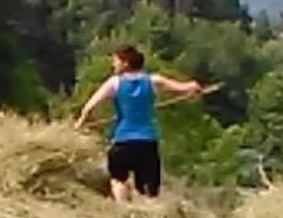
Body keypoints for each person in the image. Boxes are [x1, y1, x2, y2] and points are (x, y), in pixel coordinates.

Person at [74, 45, 206, 203]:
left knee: (118, 179)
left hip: (123, 141)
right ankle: (149, 216)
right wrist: (194, 87)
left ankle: (124, 213)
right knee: (148, 189)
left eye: (115, 61)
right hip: (147, 142)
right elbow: (183, 87)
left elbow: (89, 106)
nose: (113, 65)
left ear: (126, 63)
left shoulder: (115, 83)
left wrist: (80, 124)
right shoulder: (153, 80)